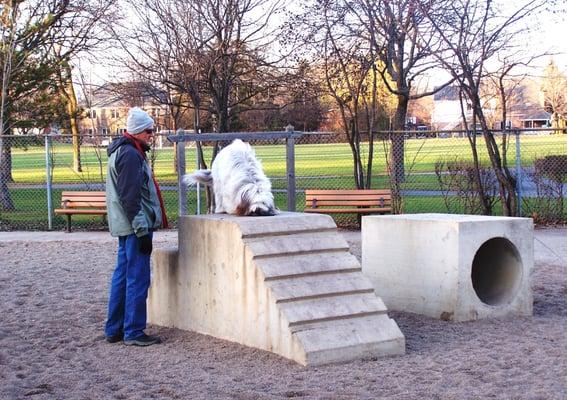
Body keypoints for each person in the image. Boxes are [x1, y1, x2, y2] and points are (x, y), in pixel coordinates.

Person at [104, 107, 168, 346]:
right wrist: (142, 230)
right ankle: (133, 331)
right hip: (134, 227)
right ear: (139, 131)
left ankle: (115, 329)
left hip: (125, 226)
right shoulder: (130, 155)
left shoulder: (121, 150)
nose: (152, 135)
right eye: (149, 131)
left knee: (122, 276)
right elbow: (130, 198)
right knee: (137, 277)